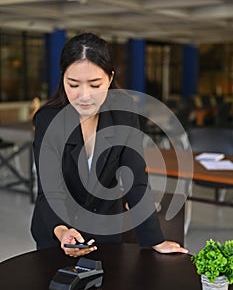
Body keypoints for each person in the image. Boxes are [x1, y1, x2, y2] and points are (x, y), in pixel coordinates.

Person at [31, 32, 188, 257]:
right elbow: (49, 191)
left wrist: (156, 239)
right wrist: (63, 231)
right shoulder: (48, 119)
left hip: (105, 228)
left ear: (110, 77)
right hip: (57, 230)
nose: (84, 96)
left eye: (95, 85)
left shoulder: (123, 112)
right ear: (63, 77)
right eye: (73, 84)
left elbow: (136, 182)